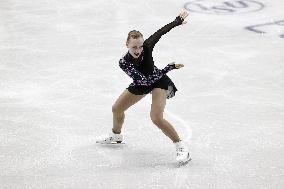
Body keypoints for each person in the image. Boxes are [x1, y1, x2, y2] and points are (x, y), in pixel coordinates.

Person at [96, 10, 191, 164]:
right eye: (134, 47)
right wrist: (169, 67)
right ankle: (116, 136)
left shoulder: (147, 47)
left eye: (140, 46)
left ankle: (181, 146)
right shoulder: (123, 62)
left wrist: (177, 21)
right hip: (143, 82)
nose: (138, 50)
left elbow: (160, 33)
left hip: (159, 82)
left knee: (156, 118)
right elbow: (144, 79)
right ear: (127, 45)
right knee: (116, 109)